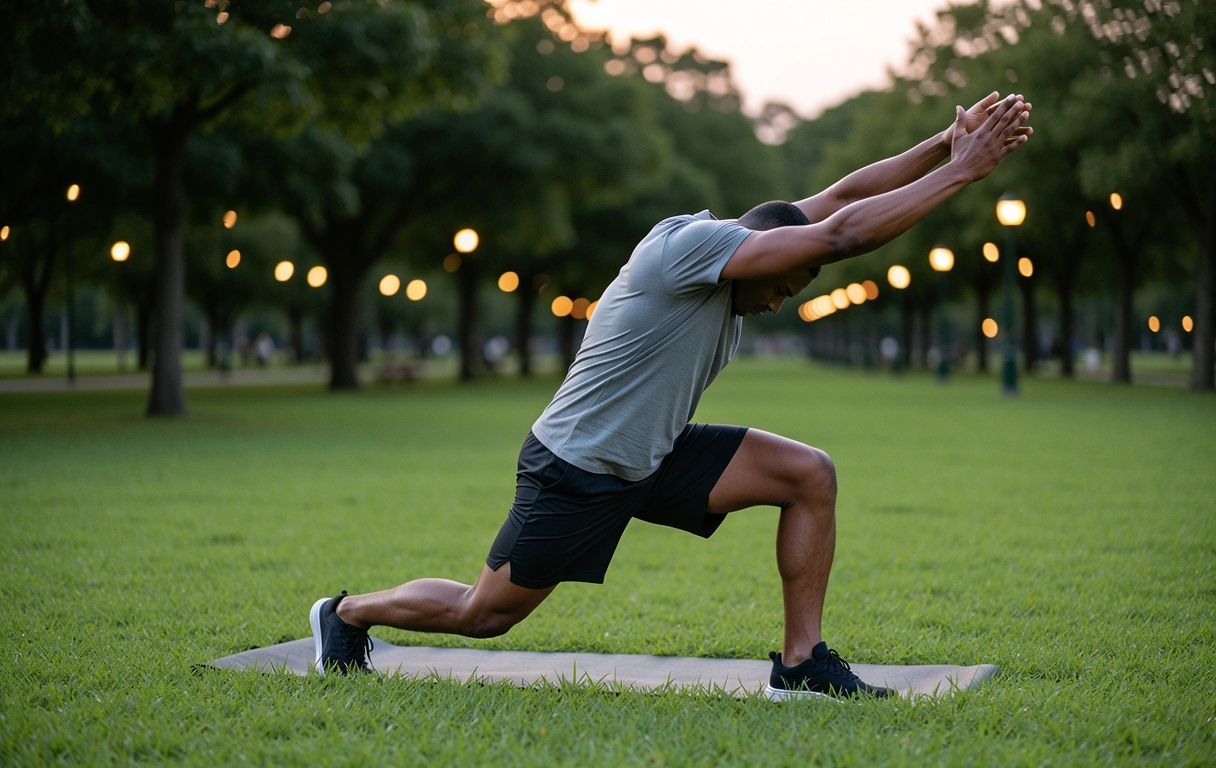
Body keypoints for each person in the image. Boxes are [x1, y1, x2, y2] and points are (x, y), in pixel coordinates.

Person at [310, 92, 1033, 699]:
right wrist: (962, 173)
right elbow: (839, 234)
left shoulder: (743, 249)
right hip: (578, 466)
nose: (777, 303)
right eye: (781, 288)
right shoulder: (688, 248)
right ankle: (347, 614)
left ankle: (801, 662)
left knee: (809, 474)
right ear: (759, 254)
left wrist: (942, 143)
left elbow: (841, 199)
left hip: (653, 457)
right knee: (484, 614)